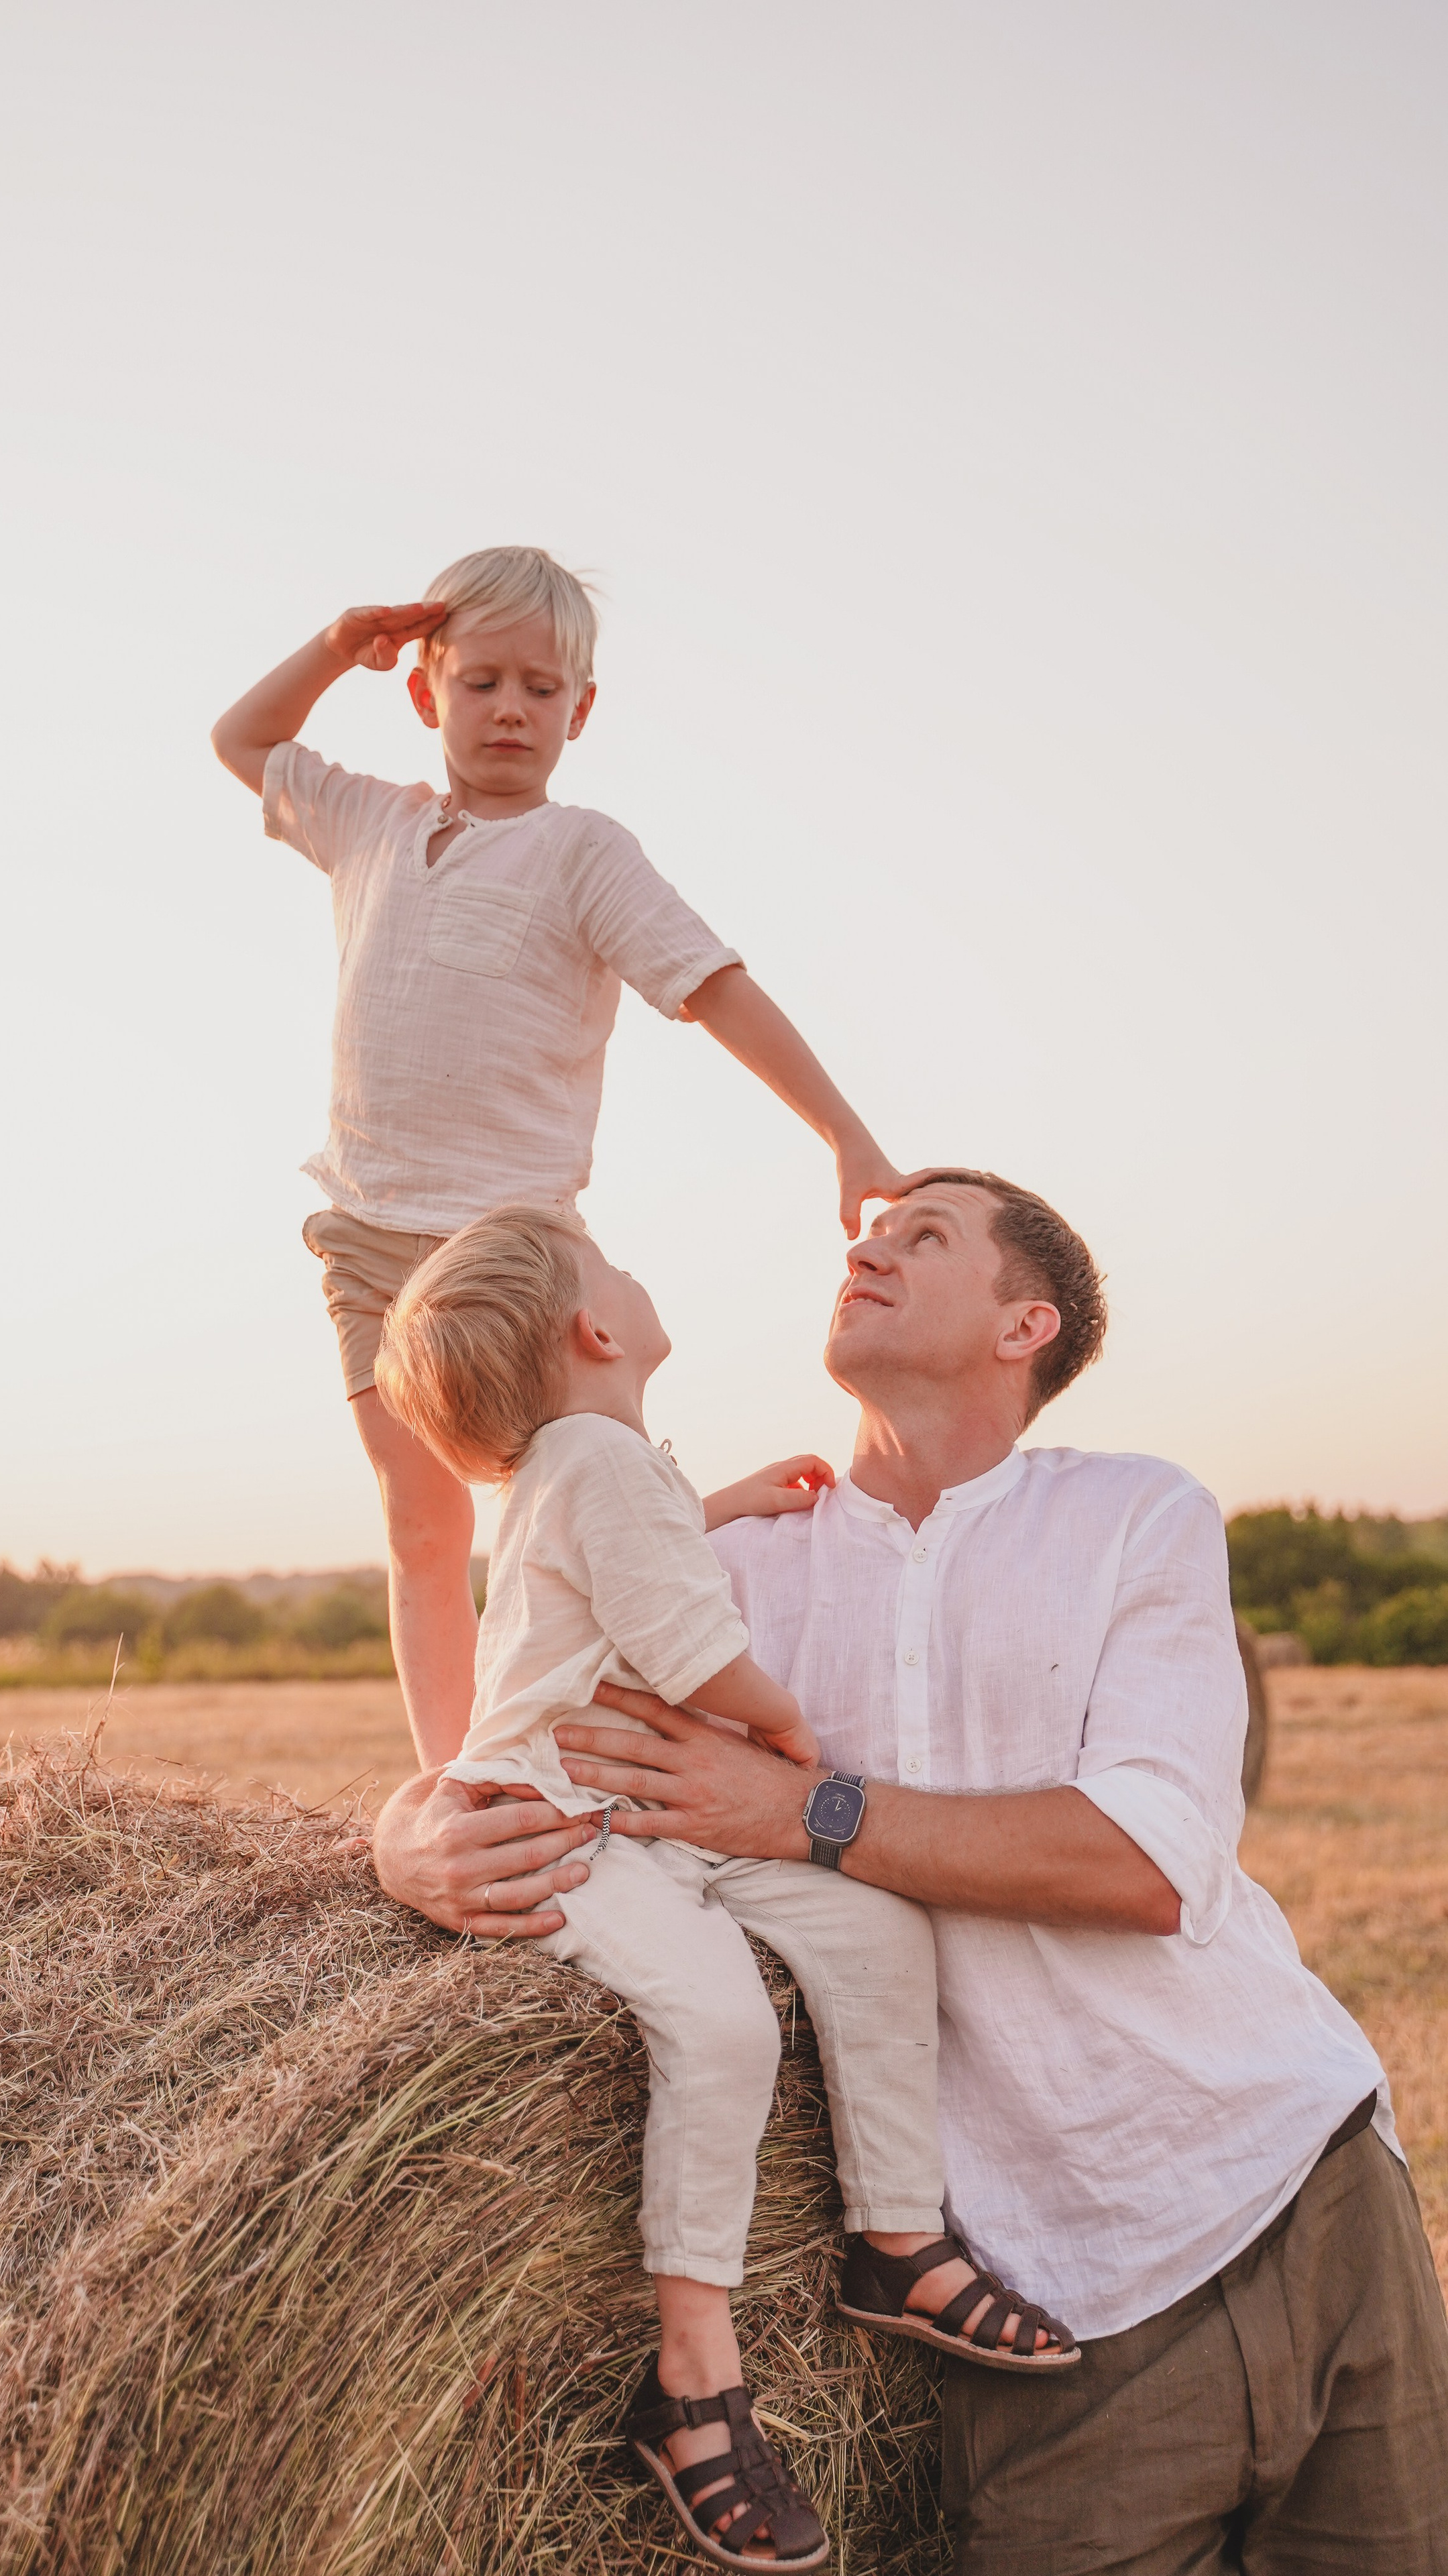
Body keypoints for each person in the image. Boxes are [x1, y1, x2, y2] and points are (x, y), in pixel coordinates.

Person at [374, 1171, 1448, 2574]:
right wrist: (409, 1837)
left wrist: (800, 1809)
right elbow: (533, 1687)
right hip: (1039, 2290)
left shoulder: (1138, 1514)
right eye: (863, 1234)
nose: (867, 1245)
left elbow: (1143, 1863)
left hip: (1294, 2180)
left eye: (921, 1235)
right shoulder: (733, 1564)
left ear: (1024, 1324)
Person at [374, 1203, 1074, 2574]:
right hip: (566, 1830)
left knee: (873, 1926)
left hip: (645, 1816)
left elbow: (625, 1563)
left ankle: (892, 2236)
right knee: (723, 2025)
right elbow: (693, 1650)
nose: (632, 1278)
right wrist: (790, 1741)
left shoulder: (582, 1466)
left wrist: (725, 1504)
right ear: (594, 1328)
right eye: (611, 1271)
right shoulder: (595, 1460)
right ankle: (691, 2379)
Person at [211, 546, 918, 1762]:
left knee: (586, 1494)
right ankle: (460, 1779)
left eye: (542, 689)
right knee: (423, 1530)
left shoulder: (585, 852)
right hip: (370, 1242)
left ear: (580, 713)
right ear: (427, 693)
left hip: (517, 1255)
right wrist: (339, 643)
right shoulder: (369, 821)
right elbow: (242, 740)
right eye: (482, 682)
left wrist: (846, 1137)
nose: (511, 711)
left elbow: (716, 989)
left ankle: (694, 1681)